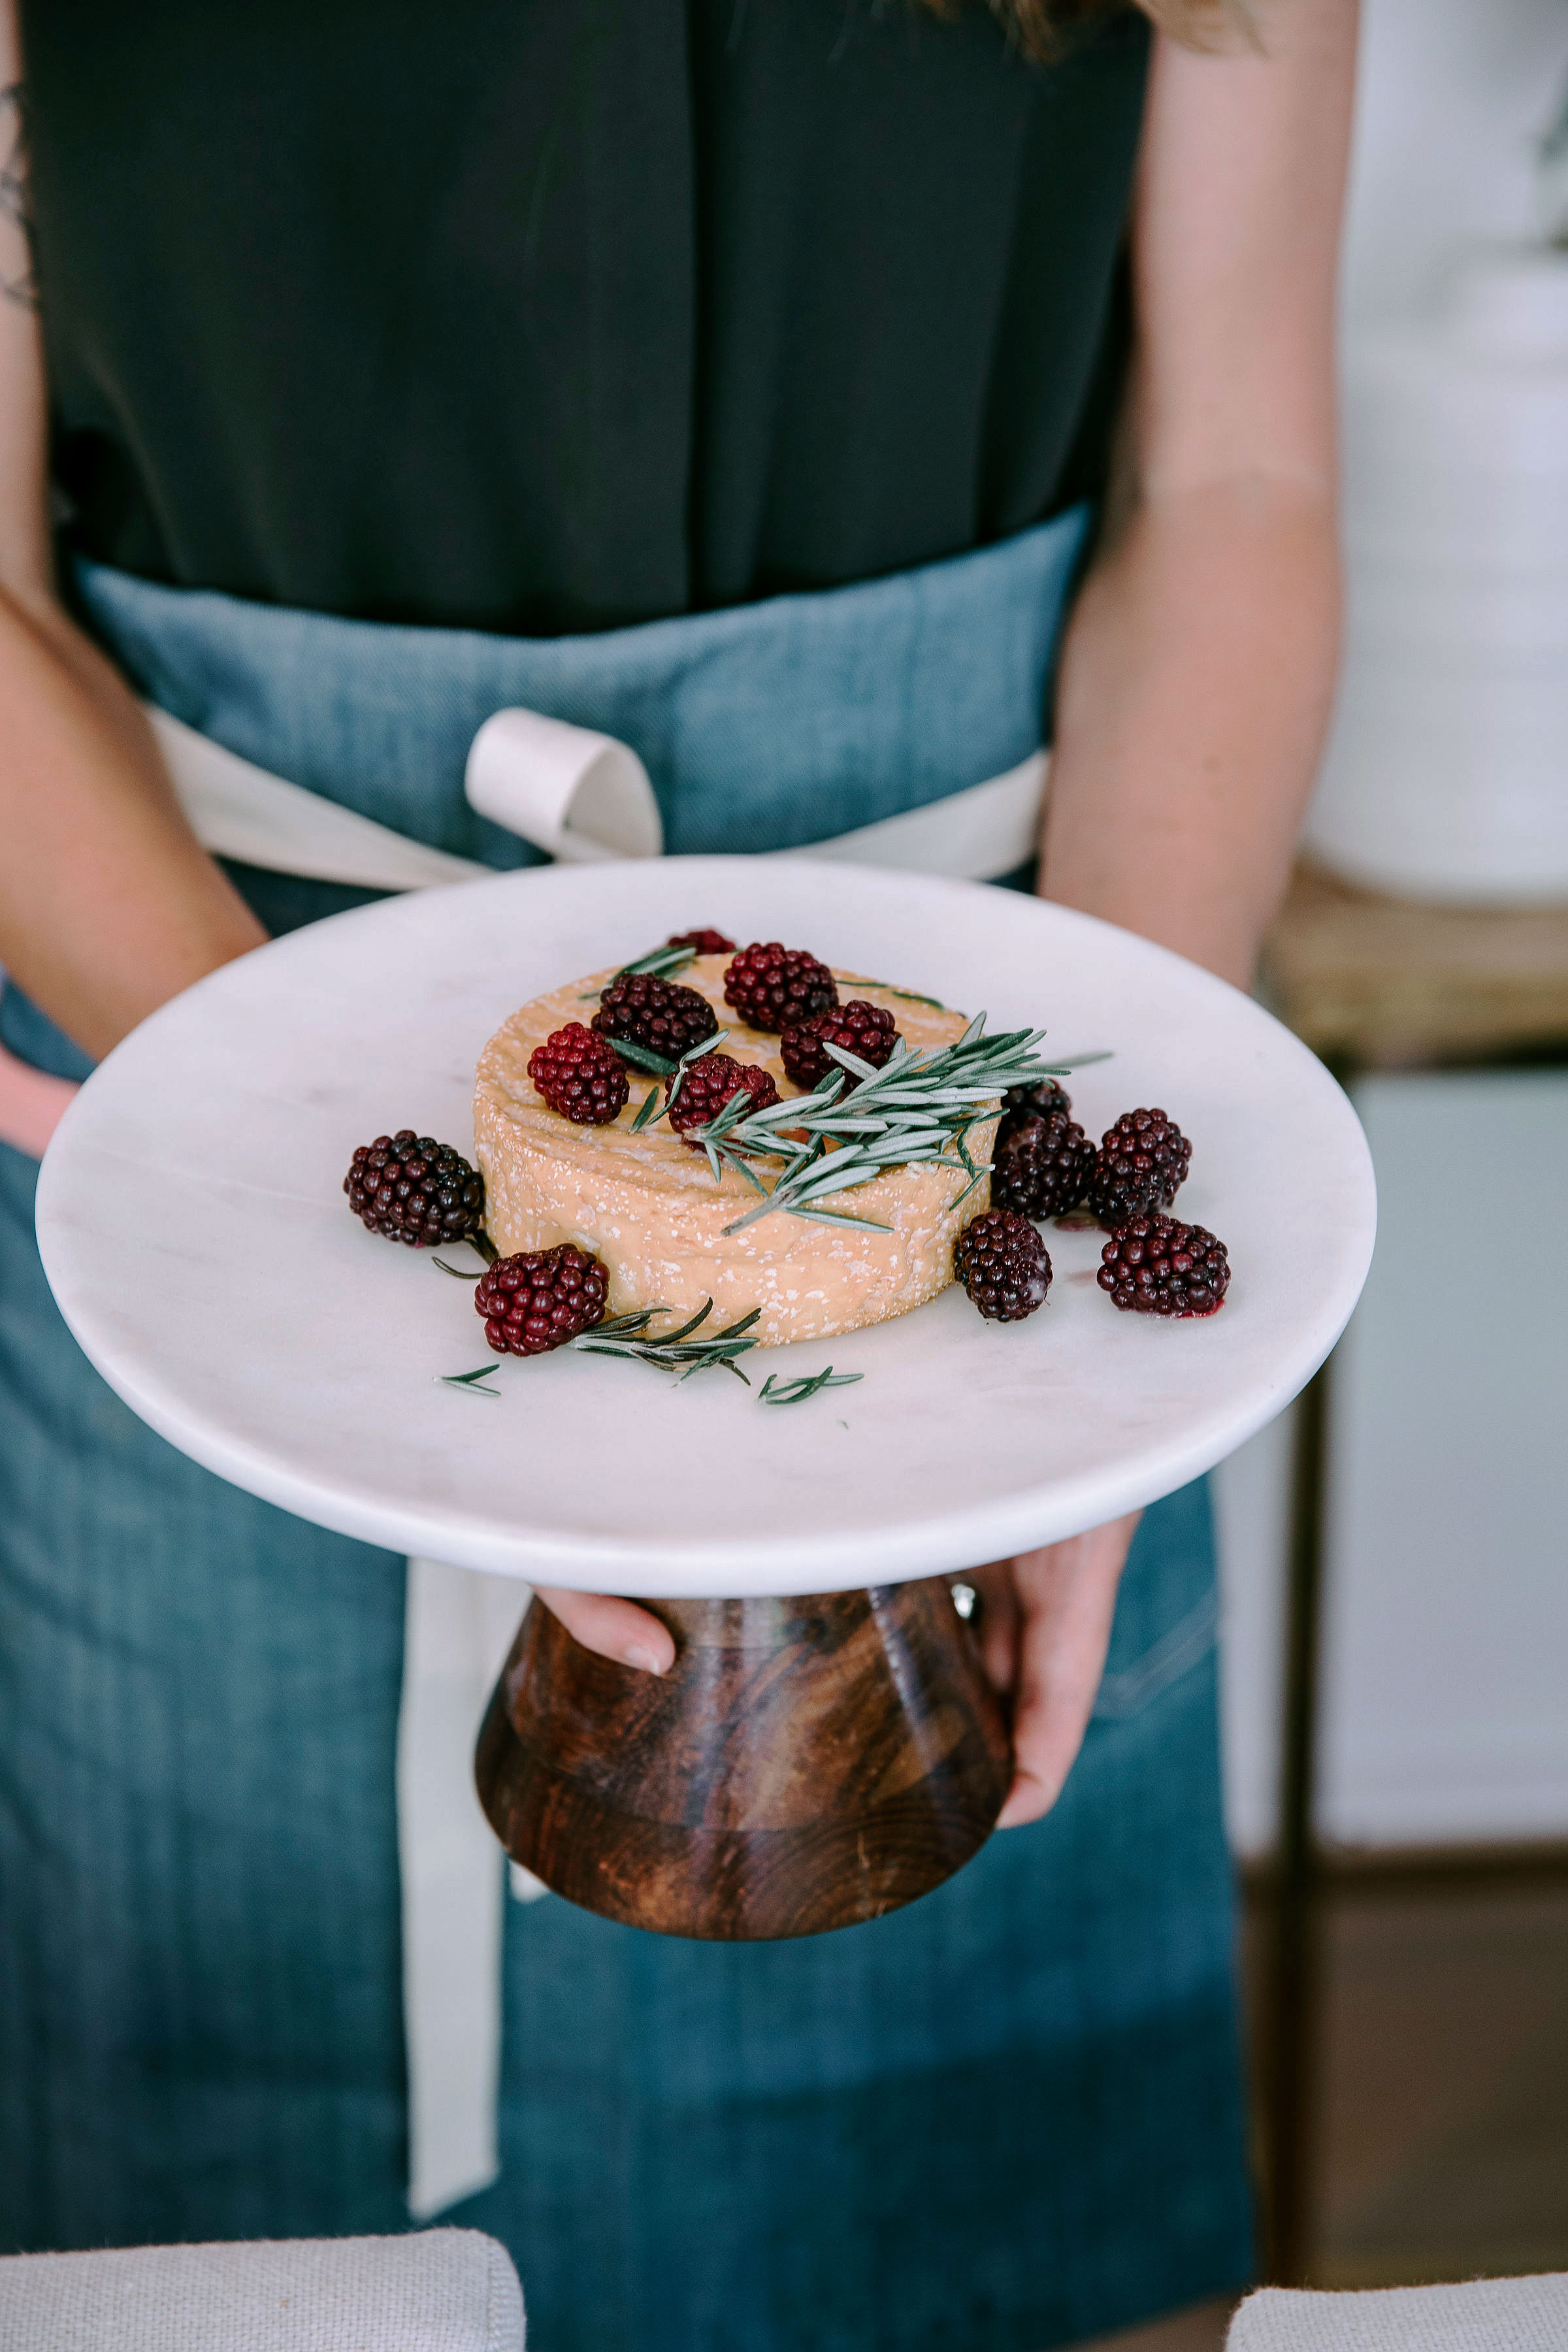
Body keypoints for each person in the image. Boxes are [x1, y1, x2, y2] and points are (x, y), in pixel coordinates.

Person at [0, 2, 1355, 2345]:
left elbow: (1233, 474)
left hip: (975, 1152)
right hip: (194, 1047)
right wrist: (274, 1137)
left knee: (947, 2206)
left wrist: (1073, 1277)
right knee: (230, 2189)